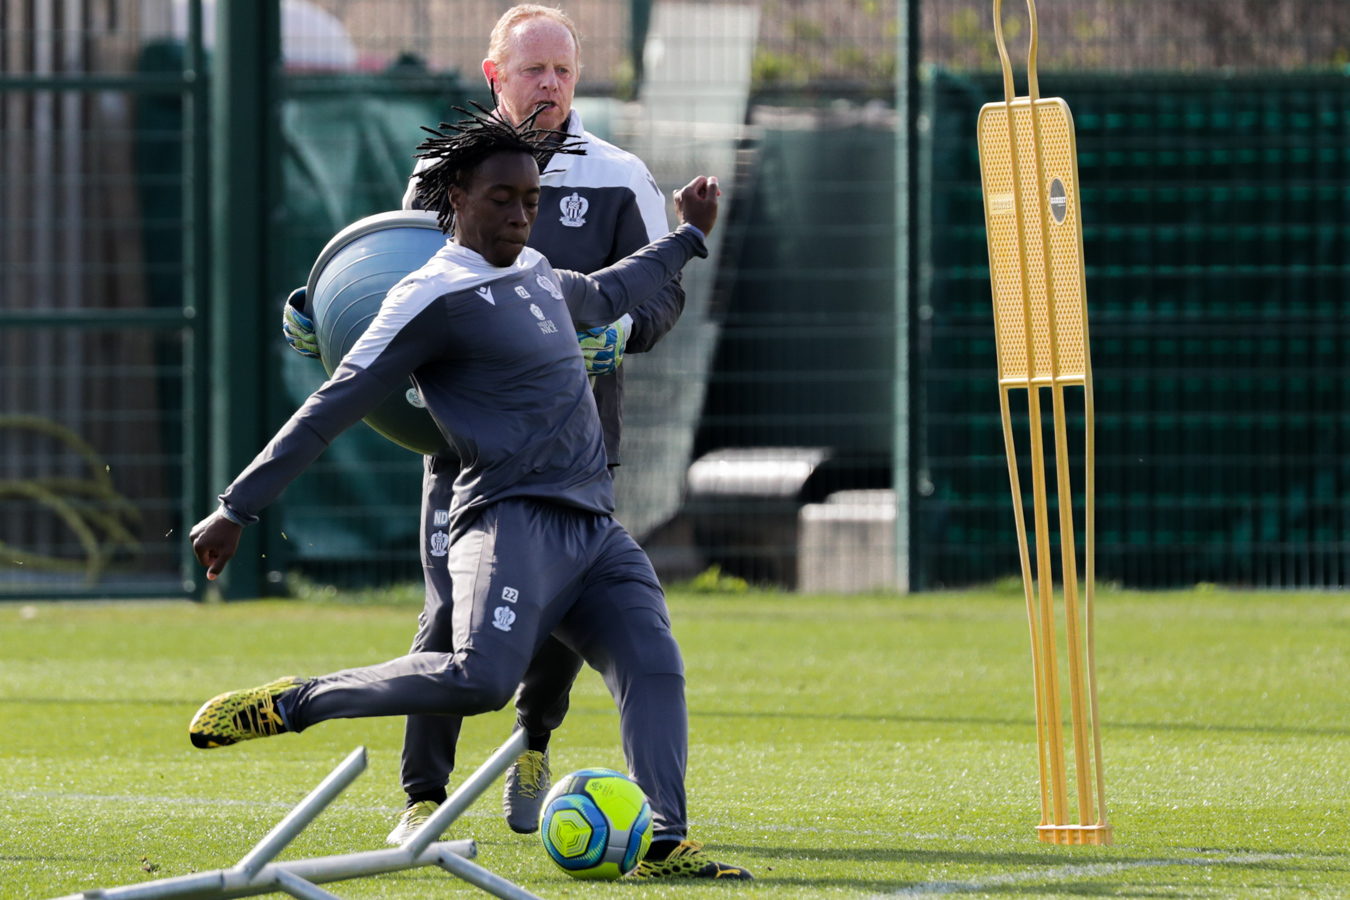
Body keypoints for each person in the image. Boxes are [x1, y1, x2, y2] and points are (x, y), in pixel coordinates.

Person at [190, 108, 749, 880]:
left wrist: (687, 237)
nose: (521, 215)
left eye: (532, 200)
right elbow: (333, 406)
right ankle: (295, 702)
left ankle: (662, 842)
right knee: (479, 679)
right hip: (508, 521)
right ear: (456, 195)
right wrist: (237, 507)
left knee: (654, 665)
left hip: (594, 527)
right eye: (502, 198)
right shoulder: (428, 295)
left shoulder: (537, 272)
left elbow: (610, 290)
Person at [282, 4, 684, 844]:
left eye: (564, 71)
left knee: (563, 625)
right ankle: (423, 796)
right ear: (495, 75)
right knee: (445, 618)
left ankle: (532, 745)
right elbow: (402, 276)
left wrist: (622, 332)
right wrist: (328, 318)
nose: (551, 84)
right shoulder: (443, 171)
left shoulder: (620, 175)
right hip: (461, 446)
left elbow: (661, 292)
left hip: (578, 445)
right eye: (534, 69)